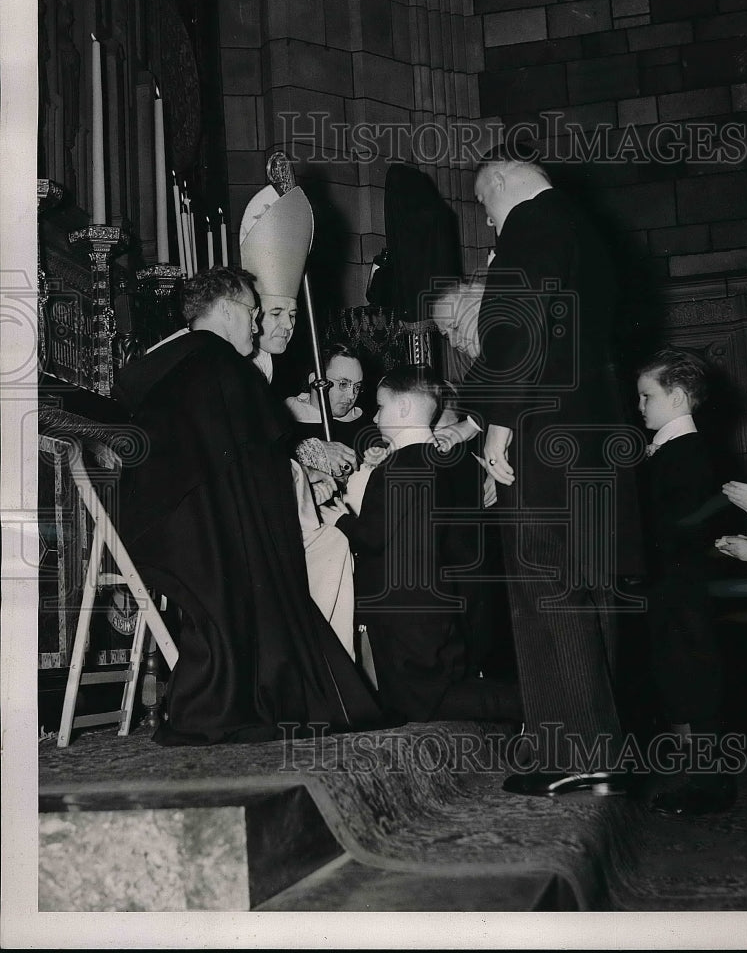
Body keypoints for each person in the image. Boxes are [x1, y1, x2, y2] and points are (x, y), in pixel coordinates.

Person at [432, 144, 644, 796]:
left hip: (541, 439)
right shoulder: (585, 230)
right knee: (580, 591)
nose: (488, 222)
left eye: (483, 206)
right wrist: (473, 419)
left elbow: (518, 332)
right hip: (591, 440)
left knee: (541, 592)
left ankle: (578, 750)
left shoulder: (530, 223)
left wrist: (494, 425)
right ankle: (598, 744)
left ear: (500, 182)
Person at [111, 265, 385, 744]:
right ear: (224, 310)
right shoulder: (224, 367)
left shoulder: (168, 363)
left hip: (161, 533)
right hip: (211, 544)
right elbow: (261, 477)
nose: (257, 326)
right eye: (253, 313)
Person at [321, 364, 522, 723]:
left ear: (402, 409)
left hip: (404, 608)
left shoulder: (399, 466)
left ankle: (529, 706)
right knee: (431, 693)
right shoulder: (429, 461)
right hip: (426, 603)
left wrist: (340, 519)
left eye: (380, 406)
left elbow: (373, 534)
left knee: (424, 698)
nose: (375, 414)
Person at [636, 348, 735, 815]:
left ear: (676, 397)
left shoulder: (687, 452)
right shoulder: (671, 449)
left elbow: (682, 526)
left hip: (684, 588)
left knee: (692, 683)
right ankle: (690, 777)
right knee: (675, 680)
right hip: (671, 587)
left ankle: (707, 784)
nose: (640, 406)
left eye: (646, 396)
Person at [285, 342, 369, 477]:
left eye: (357, 387)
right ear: (315, 380)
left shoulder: (366, 427)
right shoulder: (284, 420)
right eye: (343, 384)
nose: (352, 395)